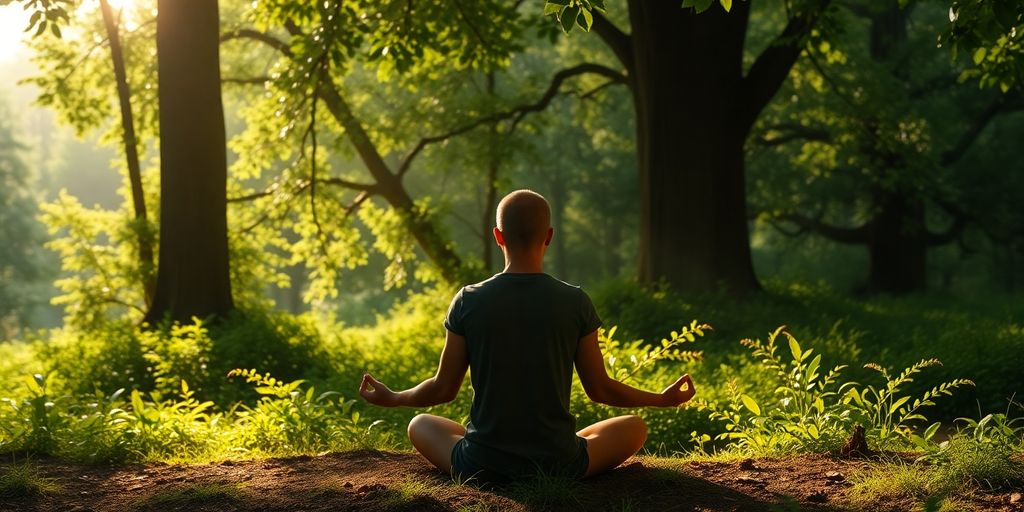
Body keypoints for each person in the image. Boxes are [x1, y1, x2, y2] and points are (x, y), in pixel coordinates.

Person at [358, 189, 696, 483]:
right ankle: (553, 446)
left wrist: (395, 397)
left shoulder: (468, 300)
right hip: (559, 463)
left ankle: (492, 445)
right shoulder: (575, 301)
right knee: (634, 427)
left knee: (420, 424)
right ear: (548, 236)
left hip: (481, 465)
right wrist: (661, 398)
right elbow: (600, 389)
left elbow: (443, 389)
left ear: (498, 236)